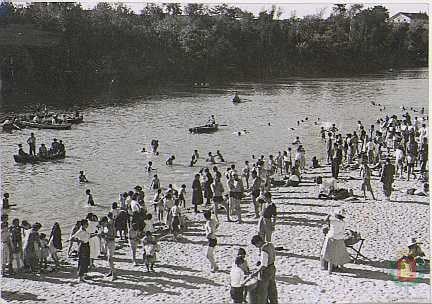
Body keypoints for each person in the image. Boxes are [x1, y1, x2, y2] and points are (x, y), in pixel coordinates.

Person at [320, 209, 351, 274]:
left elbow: (325, 220)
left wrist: (330, 214)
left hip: (331, 238)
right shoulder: (344, 223)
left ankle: (329, 270)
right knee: (340, 253)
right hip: (340, 238)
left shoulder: (333, 221)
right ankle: (341, 266)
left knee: (330, 255)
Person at [250, 235, 278, 304]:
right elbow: (270, 256)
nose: (257, 247)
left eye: (256, 245)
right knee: (272, 289)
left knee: (263, 292)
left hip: (266, 271)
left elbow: (263, 266)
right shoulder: (270, 244)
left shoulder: (263, 250)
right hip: (272, 268)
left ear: (258, 242)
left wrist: (256, 272)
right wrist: (260, 261)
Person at [99, 216, 116, 280]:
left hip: (111, 243)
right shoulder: (106, 227)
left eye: (103, 223)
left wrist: (104, 236)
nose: (102, 224)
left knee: (110, 259)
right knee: (108, 259)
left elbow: (113, 237)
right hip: (107, 243)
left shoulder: (110, 227)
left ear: (105, 222)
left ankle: (114, 274)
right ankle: (111, 271)